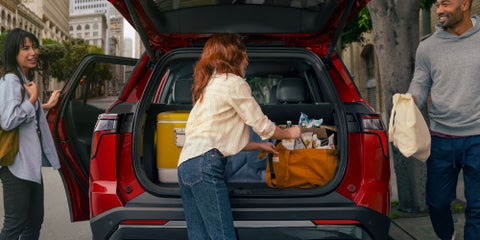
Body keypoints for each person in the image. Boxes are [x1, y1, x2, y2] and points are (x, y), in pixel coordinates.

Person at [177, 33, 301, 240]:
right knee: (223, 236)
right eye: (244, 53)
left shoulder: (209, 87)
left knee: (199, 236)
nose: (247, 59)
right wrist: (290, 133)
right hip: (205, 166)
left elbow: (215, 138)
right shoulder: (233, 83)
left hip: (185, 167)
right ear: (234, 56)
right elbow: (262, 125)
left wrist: (259, 147)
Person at [406, 0, 480, 239]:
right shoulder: (427, 47)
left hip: (477, 138)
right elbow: (420, 83)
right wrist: (409, 101)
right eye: (437, 4)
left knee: (478, 209)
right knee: (437, 204)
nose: (439, 11)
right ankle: (447, 236)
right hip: (441, 138)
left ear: (466, 4)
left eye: (445, 4)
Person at [0, 28, 61, 240]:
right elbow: (8, 120)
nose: (33, 52)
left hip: (29, 164)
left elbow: (23, 114)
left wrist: (44, 105)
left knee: (34, 221)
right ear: (13, 53)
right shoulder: (11, 80)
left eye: (34, 47)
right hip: (17, 165)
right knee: (16, 223)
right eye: (25, 48)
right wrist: (34, 99)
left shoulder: (22, 79)